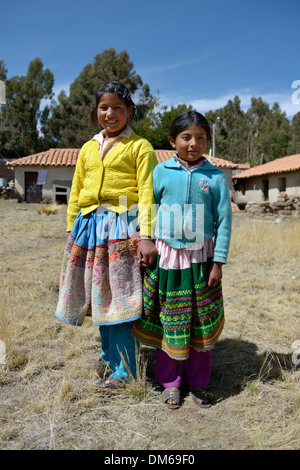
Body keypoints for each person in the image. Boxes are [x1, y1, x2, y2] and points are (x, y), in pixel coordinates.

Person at [55, 81, 158, 390]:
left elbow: (147, 192)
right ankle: (110, 356)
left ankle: (126, 370)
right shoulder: (88, 147)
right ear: (95, 111)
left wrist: (147, 235)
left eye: (118, 108)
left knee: (119, 298)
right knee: (99, 298)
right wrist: (73, 227)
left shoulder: (140, 147)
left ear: (129, 111)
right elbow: (76, 189)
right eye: (104, 107)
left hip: (121, 227)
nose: (110, 113)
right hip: (88, 229)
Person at [132, 111, 232, 408]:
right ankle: (171, 382)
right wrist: (145, 238)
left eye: (201, 138)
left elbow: (225, 221)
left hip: (202, 258)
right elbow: (147, 206)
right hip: (167, 258)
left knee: (199, 321)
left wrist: (219, 261)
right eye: (186, 137)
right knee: (170, 320)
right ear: (172, 140)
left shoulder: (215, 177)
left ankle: (198, 383)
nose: (193, 144)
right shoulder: (162, 172)